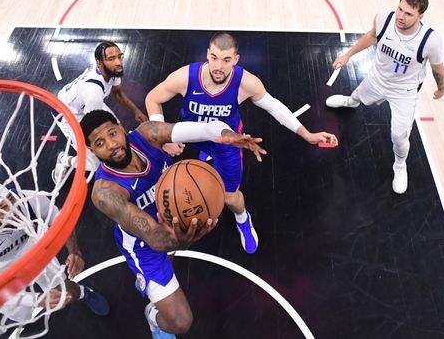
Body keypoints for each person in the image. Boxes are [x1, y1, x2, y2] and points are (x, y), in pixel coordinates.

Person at [144, 32, 338, 255]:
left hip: (228, 141)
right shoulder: (186, 77)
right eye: (214, 58)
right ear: (207, 54)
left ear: (236, 60)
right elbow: (153, 98)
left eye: (226, 60)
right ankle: (173, 229)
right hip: (193, 133)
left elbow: (273, 106)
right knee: (167, 185)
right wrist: (162, 138)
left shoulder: (246, 83)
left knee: (229, 196)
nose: (219, 66)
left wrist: (308, 135)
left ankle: (243, 219)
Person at [86, 109, 266, 338]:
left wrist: (224, 133)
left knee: (172, 255)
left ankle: (151, 284)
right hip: (144, 247)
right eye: (100, 143)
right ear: (92, 151)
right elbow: (154, 238)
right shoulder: (105, 192)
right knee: (180, 322)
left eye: (112, 134)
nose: (111, 145)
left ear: (121, 127)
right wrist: (179, 241)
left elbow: (203, 129)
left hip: (172, 222)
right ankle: (153, 315)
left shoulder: (147, 134)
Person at [325, 0, 444, 194]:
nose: (401, 16)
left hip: (404, 91)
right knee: (356, 96)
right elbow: (372, 36)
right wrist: (347, 55)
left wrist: (442, 88)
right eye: (400, 9)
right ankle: (350, 102)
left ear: (420, 16)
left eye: (408, 14)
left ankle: (400, 165)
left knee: (399, 136)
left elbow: (437, 68)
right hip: (377, 79)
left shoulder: (430, 40)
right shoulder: (384, 19)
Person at [0, 181, 110, 325]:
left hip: (33, 251)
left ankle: (84, 293)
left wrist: (74, 251)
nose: (12, 211)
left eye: (10, 200)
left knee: (64, 290)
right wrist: (37, 300)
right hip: (1, 273)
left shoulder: (30, 200)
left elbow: (62, 221)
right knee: (23, 314)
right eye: (1, 210)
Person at [52, 40, 148, 183]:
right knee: (95, 163)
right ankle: (64, 160)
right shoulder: (94, 93)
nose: (118, 62)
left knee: (119, 131)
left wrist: (136, 110)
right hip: (67, 114)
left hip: (85, 104)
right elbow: (92, 128)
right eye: (111, 58)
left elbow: (117, 93)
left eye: (119, 56)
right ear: (99, 63)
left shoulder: (112, 70)